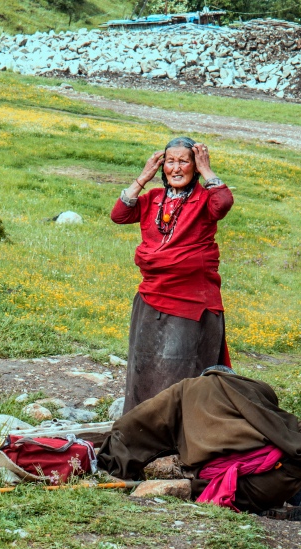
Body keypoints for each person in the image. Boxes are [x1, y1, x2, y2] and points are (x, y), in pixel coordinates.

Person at [97, 367, 301, 516]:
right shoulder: (253, 388)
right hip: (275, 481)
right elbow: (287, 430)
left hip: (216, 487)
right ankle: (288, 504)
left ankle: (264, 509)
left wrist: (112, 466)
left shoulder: (185, 390)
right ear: (233, 377)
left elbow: (131, 425)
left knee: (275, 457)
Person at [111, 137, 234, 415]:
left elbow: (223, 203)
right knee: (144, 364)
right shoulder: (154, 199)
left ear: (195, 165)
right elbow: (119, 214)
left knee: (179, 369)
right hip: (151, 296)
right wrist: (144, 176)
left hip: (190, 303)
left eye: (184, 161)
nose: (176, 168)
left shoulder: (205, 200)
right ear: (162, 166)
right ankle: (142, 425)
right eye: (170, 161)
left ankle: (180, 431)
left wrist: (207, 171)